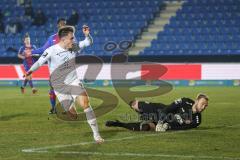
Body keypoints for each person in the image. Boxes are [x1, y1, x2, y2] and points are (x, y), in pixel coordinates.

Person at [25, 25, 104, 144]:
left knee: (86, 103)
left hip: (74, 81)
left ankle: (97, 135)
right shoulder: (51, 50)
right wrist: (30, 70)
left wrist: (87, 35)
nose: (74, 40)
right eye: (71, 38)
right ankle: (70, 105)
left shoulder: (74, 47)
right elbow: (40, 62)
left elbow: (88, 42)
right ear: (63, 40)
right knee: (73, 115)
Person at [106, 93, 209, 132]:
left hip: (166, 123)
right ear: (196, 100)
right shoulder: (184, 100)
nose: (204, 107)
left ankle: (118, 123)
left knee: (145, 127)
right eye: (202, 103)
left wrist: (167, 126)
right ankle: (138, 110)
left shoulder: (197, 120)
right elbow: (168, 109)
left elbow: (183, 128)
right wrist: (160, 121)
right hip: (160, 111)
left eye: (206, 105)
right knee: (135, 104)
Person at [32, 18, 66, 114]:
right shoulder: (52, 38)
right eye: (61, 24)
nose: (63, 26)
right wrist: (31, 52)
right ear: (58, 26)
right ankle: (53, 108)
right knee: (52, 90)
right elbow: (43, 49)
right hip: (54, 70)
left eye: (65, 24)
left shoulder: (70, 37)